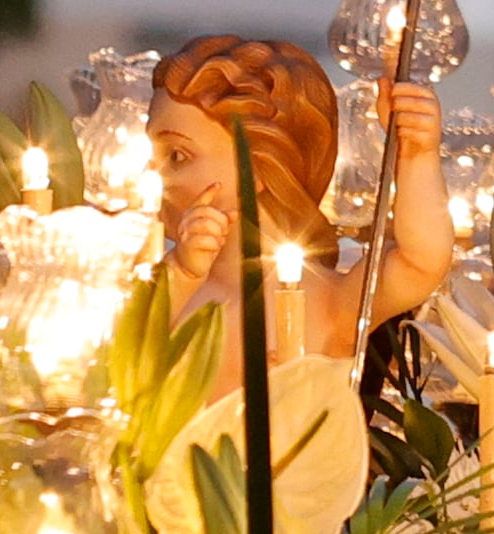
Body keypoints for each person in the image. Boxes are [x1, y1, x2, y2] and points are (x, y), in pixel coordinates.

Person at [149, 34, 456, 367]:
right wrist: (181, 275)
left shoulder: (325, 303)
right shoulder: (161, 288)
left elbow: (420, 261)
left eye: (177, 156)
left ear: (259, 166)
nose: (150, 173)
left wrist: (415, 155)